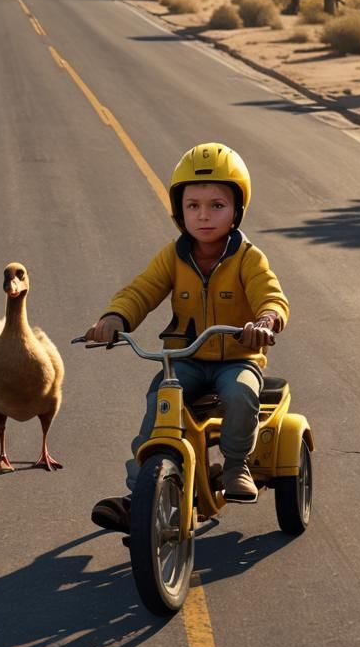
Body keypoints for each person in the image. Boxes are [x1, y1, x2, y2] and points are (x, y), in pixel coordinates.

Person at [82, 142, 289, 533]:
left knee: (242, 393)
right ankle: (138, 495)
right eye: (193, 206)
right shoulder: (172, 257)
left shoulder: (249, 258)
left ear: (237, 210)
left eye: (217, 205)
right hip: (186, 359)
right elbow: (141, 290)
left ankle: (235, 465)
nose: (204, 216)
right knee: (160, 402)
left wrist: (267, 319)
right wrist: (114, 317)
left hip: (237, 358)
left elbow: (271, 294)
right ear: (179, 211)